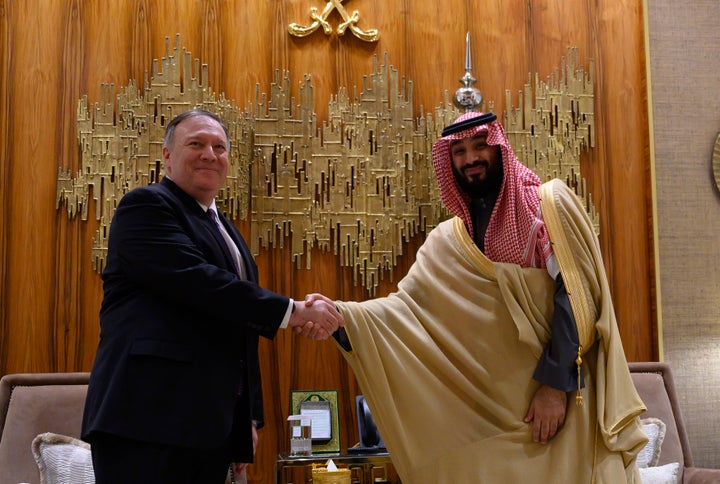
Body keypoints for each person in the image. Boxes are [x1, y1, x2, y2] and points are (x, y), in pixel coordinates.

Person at [324, 111, 648, 482]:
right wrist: (342, 317)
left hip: (558, 405)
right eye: (459, 151)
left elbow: (577, 299)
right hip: (495, 410)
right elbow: (408, 310)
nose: (470, 158)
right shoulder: (449, 240)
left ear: (499, 147)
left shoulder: (545, 208)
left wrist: (555, 388)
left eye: (480, 146)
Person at [81, 108, 343, 483]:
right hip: (146, 422)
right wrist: (295, 311)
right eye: (196, 144)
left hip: (207, 429)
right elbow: (199, 284)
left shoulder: (224, 228)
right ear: (167, 155)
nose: (210, 154)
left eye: (219, 147)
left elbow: (239, 330)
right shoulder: (145, 207)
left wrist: (245, 421)